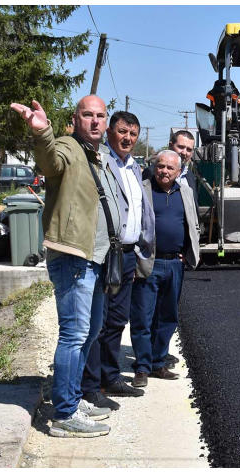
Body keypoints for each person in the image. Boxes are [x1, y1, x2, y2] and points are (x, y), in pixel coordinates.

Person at [10, 96, 124, 438]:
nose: (94, 121)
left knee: (90, 332)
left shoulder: (97, 155)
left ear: (106, 121)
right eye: (87, 115)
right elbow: (48, 163)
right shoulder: (66, 147)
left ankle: (72, 398)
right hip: (74, 256)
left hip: (96, 258)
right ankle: (64, 414)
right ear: (75, 119)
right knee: (74, 334)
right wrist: (42, 131)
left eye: (100, 116)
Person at [80, 111, 154, 407]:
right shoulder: (101, 162)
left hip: (127, 255)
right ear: (110, 131)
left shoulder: (135, 168)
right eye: (123, 131)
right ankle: (91, 384)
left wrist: (140, 250)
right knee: (96, 322)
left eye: (133, 134)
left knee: (116, 322)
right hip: (104, 254)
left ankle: (110, 377)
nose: (128, 138)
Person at [130, 150, 200, 387]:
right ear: (154, 166)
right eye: (161, 166)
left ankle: (158, 362)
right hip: (149, 261)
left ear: (178, 171)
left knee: (168, 316)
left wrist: (189, 254)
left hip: (175, 264)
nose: (165, 171)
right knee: (142, 316)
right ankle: (142, 366)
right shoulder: (143, 189)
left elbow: (192, 223)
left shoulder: (186, 192)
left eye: (170, 168)